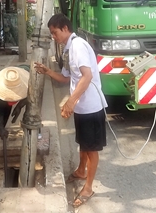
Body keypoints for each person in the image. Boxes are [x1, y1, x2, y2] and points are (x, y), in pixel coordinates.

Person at [34, 14, 107, 208]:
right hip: (82, 107)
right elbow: (67, 78)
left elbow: (87, 75)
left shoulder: (78, 46)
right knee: (83, 143)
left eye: (55, 32)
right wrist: (47, 71)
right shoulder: (68, 49)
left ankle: (88, 187)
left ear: (65, 28)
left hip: (91, 106)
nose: (53, 37)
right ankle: (81, 170)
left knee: (91, 148)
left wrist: (70, 102)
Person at [0, 66, 30, 140]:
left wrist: (19, 106)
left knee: (32, 110)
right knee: (4, 112)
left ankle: (35, 130)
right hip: (5, 97)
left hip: (27, 81)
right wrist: (0, 127)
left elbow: (31, 96)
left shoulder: (28, 82)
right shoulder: (0, 94)